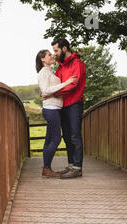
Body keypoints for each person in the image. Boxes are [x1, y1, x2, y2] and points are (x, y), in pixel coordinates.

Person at [45, 38, 87, 179]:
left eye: (56, 50)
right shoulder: (61, 67)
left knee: (75, 135)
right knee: (67, 136)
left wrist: (53, 93)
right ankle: (71, 165)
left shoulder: (77, 64)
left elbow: (73, 85)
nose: (55, 54)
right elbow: (55, 83)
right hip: (62, 105)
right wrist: (46, 91)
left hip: (74, 104)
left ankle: (77, 168)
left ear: (64, 48)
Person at [36, 49, 78, 178]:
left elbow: (46, 91)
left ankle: (46, 168)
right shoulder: (43, 72)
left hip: (54, 108)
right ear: (43, 59)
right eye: (49, 54)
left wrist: (46, 93)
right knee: (56, 138)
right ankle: (46, 168)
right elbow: (46, 90)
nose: (52, 55)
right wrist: (66, 83)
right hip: (51, 109)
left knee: (49, 139)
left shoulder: (50, 72)